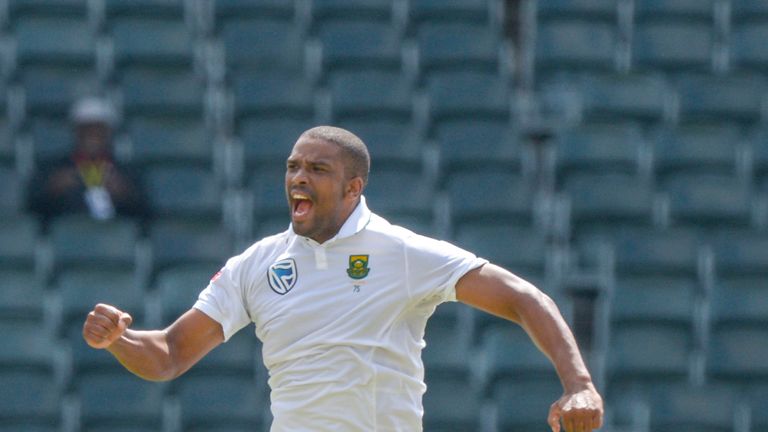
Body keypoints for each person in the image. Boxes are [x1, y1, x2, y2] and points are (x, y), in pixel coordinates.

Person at [83, 126, 603, 432]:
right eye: (292, 167)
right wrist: (119, 340)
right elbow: (171, 354)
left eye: (316, 169)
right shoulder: (257, 264)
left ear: (354, 187)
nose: (298, 178)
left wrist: (579, 385)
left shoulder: (400, 252)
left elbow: (523, 298)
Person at [27, 96, 148, 226]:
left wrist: (126, 195)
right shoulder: (53, 168)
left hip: (114, 241)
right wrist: (52, 191)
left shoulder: (127, 171)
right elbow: (30, 211)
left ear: (108, 133)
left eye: (99, 130)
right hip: (67, 238)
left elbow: (147, 214)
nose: (92, 135)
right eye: (86, 129)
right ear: (76, 132)